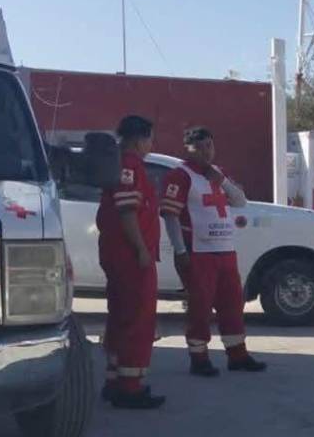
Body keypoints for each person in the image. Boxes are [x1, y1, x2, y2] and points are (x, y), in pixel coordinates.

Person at [160, 127, 267, 376]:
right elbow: (170, 215)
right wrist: (179, 250)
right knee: (200, 307)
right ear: (187, 149)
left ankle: (237, 355)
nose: (206, 152)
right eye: (199, 147)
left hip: (226, 250)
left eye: (209, 146)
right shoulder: (180, 175)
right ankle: (199, 358)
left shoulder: (219, 174)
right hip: (198, 252)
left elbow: (240, 201)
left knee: (232, 304)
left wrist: (223, 181)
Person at [95, 117, 165, 409]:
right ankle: (130, 386)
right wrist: (141, 249)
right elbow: (127, 213)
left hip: (118, 254)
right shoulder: (130, 167)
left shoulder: (120, 166)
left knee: (121, 316)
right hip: (130, 257)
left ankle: (115, 380)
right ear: (139, 140)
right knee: (138, 318)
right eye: (151, 140)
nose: (152, 145)